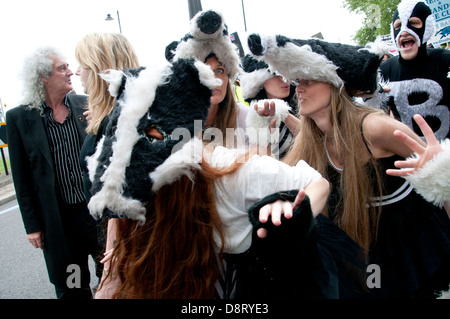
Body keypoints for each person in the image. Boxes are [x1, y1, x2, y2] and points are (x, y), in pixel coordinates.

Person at [84, 57, 331, 298]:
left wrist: (292, 206)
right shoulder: (127, 193)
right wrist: (113, 265)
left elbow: (318, 182)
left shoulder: (227, 176)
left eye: (221, 70)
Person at [247, 33, 450, 298]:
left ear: (337, 85)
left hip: (414, 252)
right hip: (365, 256)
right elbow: (270, 176)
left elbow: (442, 185)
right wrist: (265, 126)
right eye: (298, 81)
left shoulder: (374, 127)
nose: (299, 89)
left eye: (309, 80)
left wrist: (440, 170)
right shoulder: (310, 140)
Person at [6, 46, 100, 298]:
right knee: (73, 285)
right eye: (62, 68)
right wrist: (32, 226)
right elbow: (21, 178)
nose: (71, 72)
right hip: (61, 221)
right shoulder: (20, 118)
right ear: (42, 76)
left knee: (113, 276)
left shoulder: (87, 105)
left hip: (96, 213)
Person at [74, 33, 141, 288]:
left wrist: (114, 254)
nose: (78, 72)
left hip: (125, 245)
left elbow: (125, 194)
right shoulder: (111, 114)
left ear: (100, 68)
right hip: (110, 239)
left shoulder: (124, 119)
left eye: (83, 65)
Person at [380, 0, 450, 141]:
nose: (404, 31)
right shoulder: (384, 70)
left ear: (427, 26)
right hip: (409, 157)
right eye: (398, 25)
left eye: (413, 23)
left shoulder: (445, 61)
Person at [240, 54, 300, 159]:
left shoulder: (303, 105)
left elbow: (315, 140)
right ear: (259, 81)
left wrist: (283, 113)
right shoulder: (253, 117)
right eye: (275, 74)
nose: (284, 79)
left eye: (285, 72)